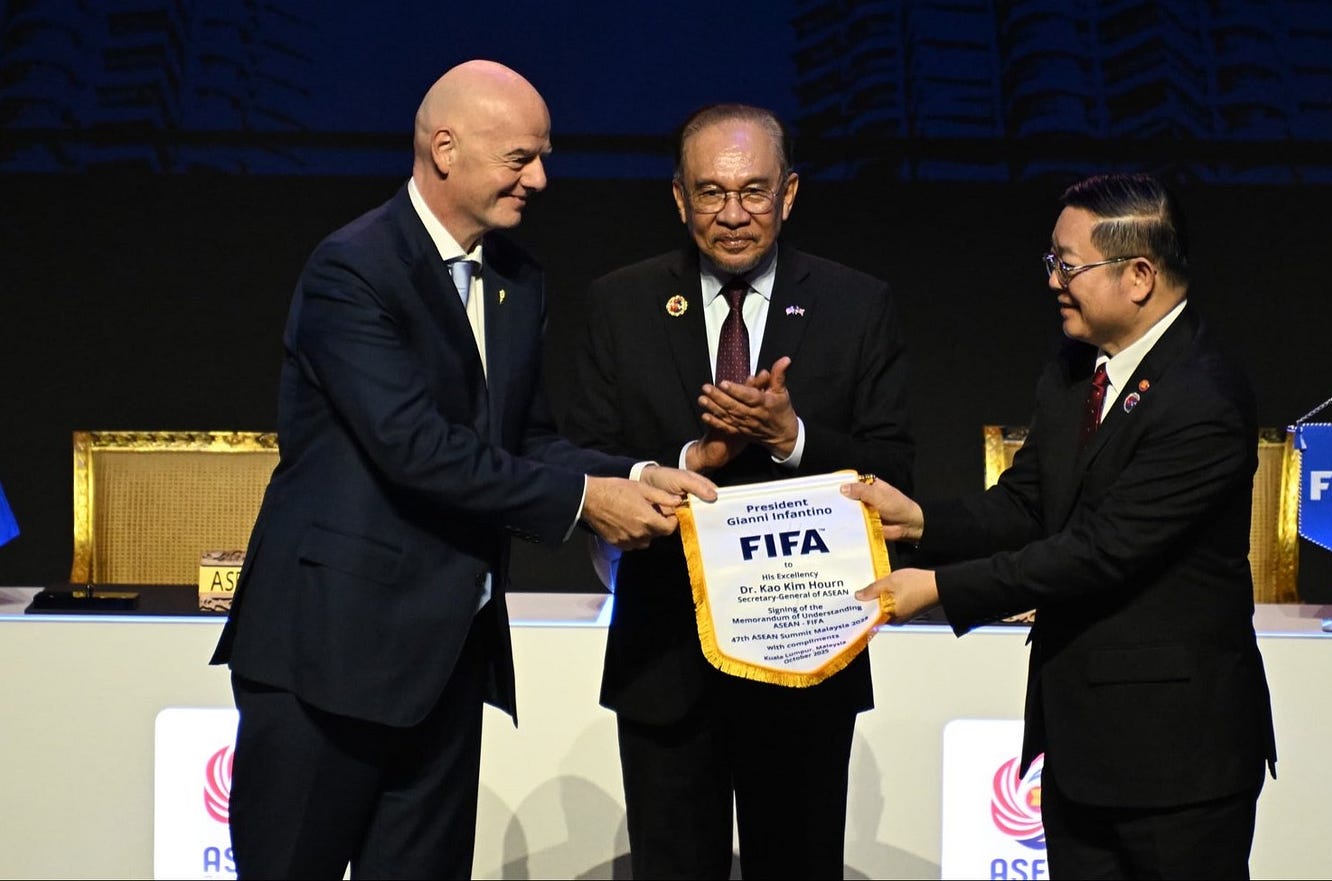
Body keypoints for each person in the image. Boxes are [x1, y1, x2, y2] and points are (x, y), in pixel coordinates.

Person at [209, 60, 717, 880]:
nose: (542, 178)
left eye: (544, 155)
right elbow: (414, 446)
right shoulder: (353, 269)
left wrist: (646, 470)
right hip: (327, 656)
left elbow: (527, 438)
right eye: (521, 158)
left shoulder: (518, 279)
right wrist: (587, 501)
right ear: (444, 148)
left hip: (446, 660)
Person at [844, 172, 1277, 880]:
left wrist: (936, 590)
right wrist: (919, 521)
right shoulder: (1075, 372)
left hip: (1178, 763)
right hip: (1079, 748)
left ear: (1138, 275)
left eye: (1066, 264)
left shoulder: (1204, 397)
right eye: (1052, 261)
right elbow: (1026, 505)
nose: (1052, 280)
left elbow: (1101, 551)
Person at [560, 103, 914, 879]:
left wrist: (792, 438)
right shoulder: (621, 303)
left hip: (805, 657)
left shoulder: (857, 305)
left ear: (789, 195)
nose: (733, 215)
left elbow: (898, 471)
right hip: (665, 661)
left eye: (753, 192)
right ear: (679, 199)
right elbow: (578, 456)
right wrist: (694, 454)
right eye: (711, 193)